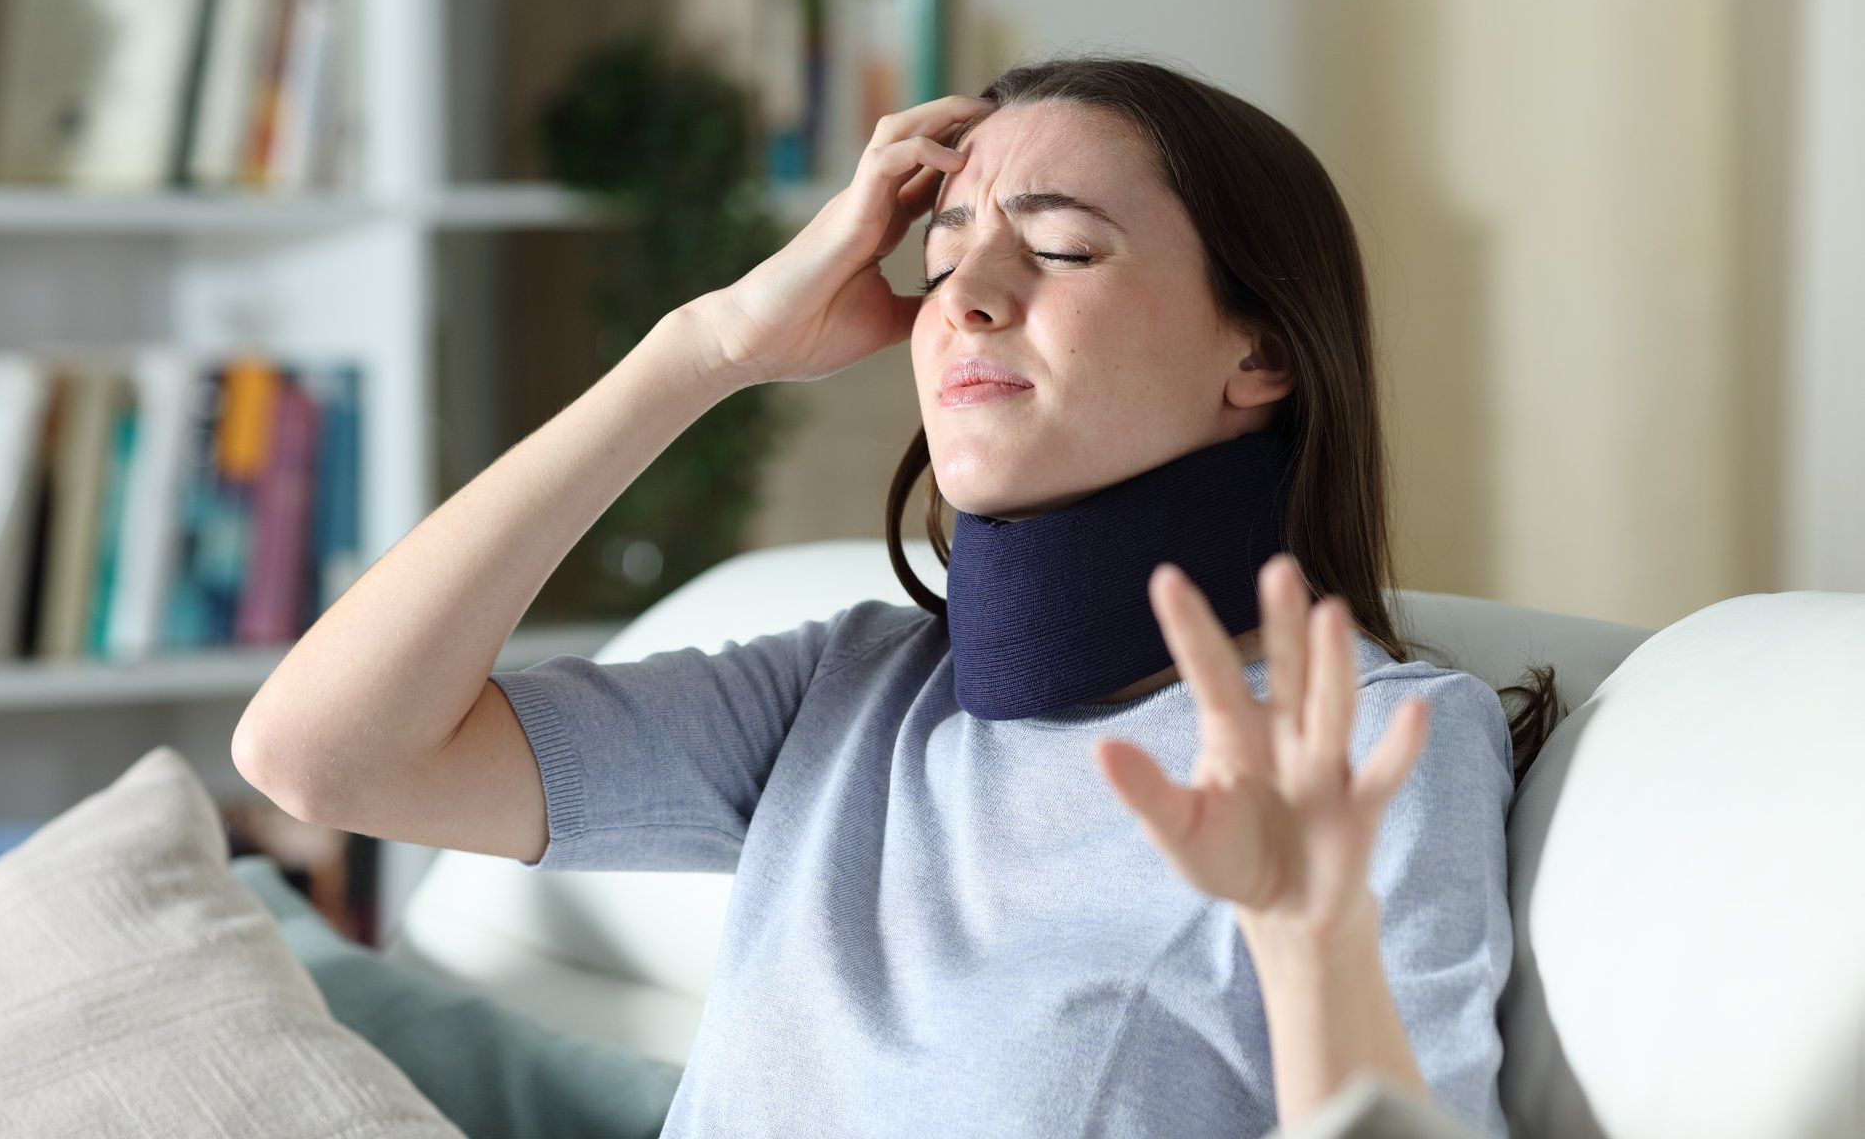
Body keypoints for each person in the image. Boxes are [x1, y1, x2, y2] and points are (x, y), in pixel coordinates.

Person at [234, 58, 1556, 1137]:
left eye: (1062, 249)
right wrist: (703, 349)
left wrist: (1309, 942)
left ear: (1258, 349)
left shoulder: (1365, 751)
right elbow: (319, 754)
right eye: (943, 250)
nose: (967, 296)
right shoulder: (850, 692)